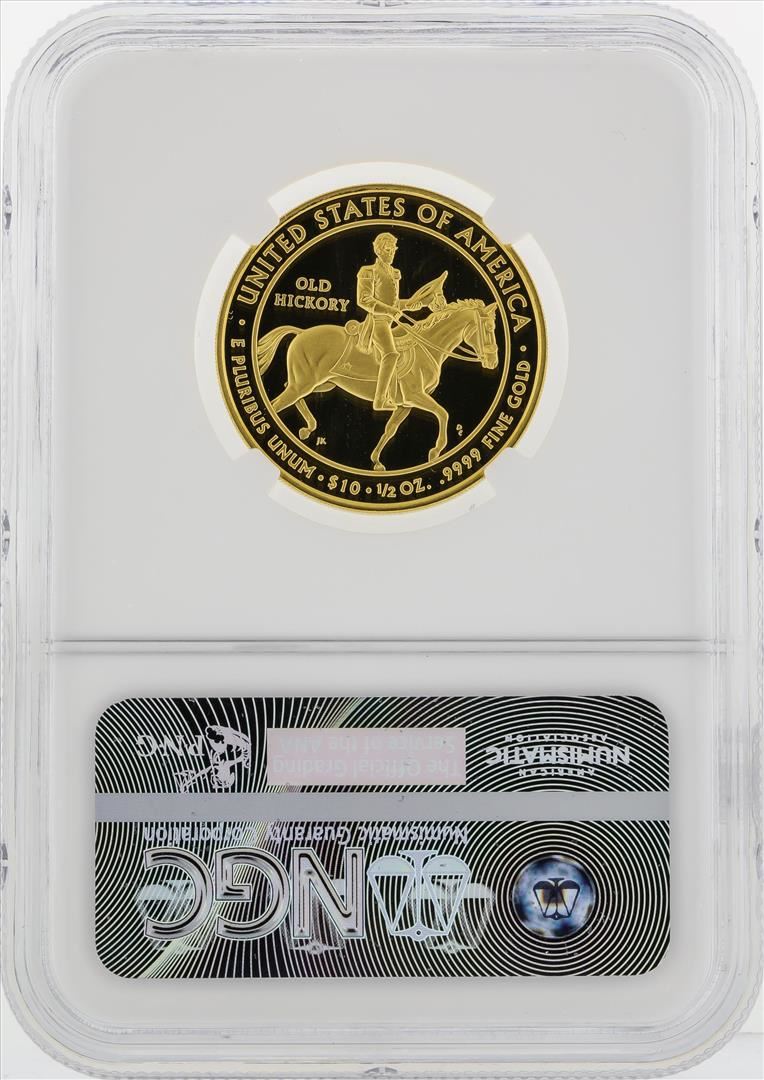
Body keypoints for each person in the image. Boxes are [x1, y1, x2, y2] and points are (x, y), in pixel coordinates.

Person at [356, 232, 422, 410]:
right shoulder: (368, 272)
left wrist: (412, 304)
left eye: (393, 249)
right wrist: (389, 310)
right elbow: (364, 299)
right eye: (388, 249)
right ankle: (379, 401)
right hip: (377, 321)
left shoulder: (394, 273)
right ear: (378, 250)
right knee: (391, 354)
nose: (392, 253)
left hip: (389, 321)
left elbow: (394, 303)